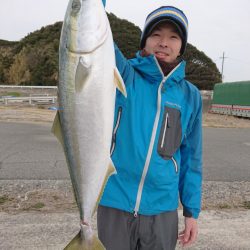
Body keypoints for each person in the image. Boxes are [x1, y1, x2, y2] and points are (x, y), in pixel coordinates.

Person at [98, 3, 203, 250]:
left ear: (181, 46)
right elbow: (95, 32)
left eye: (173, 37)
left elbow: (192, 156)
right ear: (144, 41)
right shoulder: (124, 74)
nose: (163, 42)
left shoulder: (190, 96)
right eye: (156, 34)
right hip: (115, 200)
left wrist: (191, 212)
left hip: (162, 208)